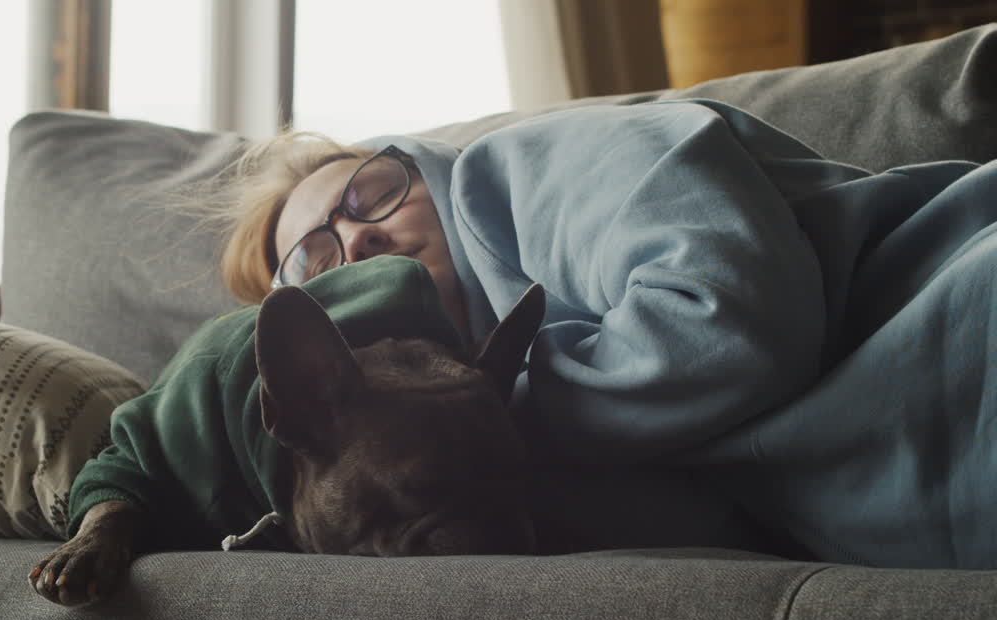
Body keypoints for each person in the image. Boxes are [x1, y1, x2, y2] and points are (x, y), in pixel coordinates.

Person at [211, 99, 997, 569]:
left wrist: (491, 411)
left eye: (370, 194)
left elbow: (725, 314)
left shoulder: (518, 175)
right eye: (317, 259)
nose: (359, 242)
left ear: (427, 169)